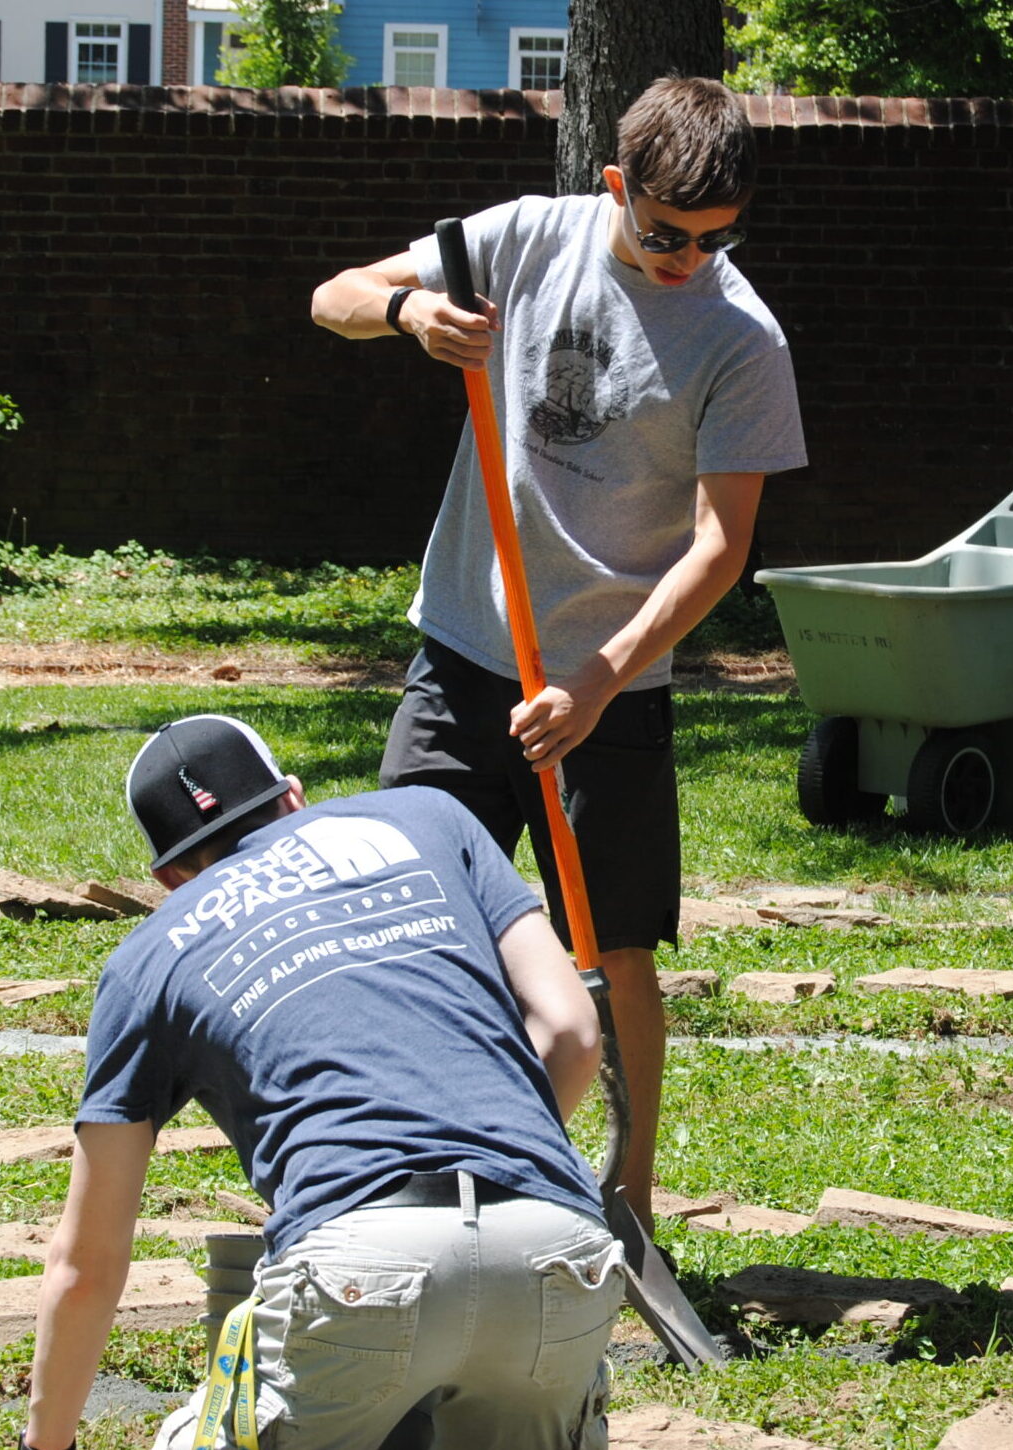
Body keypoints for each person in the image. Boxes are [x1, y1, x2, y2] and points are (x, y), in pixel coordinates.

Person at [311, 76, 807, 1232]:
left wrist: (601, 673)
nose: (689, 254)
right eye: (665, 229)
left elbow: (722, 547)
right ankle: (401, 1166)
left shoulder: (742, 339)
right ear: (615, 186)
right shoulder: (524, 240)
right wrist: (407, 317)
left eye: (718, 234)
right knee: (409, 910)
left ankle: (624, 1194)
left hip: (610, 685)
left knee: (615, 946)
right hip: (466, 653)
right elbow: (332, 295)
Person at [22, 714, 622, 1450]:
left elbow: (87, 1265)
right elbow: (570, 1032)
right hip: (557, 1246)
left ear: (169, 878)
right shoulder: (427, 817)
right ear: (295, 799)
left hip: (358, 1265)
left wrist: (44, 1443)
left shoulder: (148, 956)